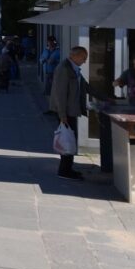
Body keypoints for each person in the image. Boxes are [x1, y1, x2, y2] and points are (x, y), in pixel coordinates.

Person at [50, 45, 89, 180]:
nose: (85, 61)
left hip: (70, 110)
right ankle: (64, 170)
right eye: (84, 58)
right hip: (65, 112)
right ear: (76, 56)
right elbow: (60, 94)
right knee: (67, 140)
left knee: (70, 139)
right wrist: (62, 115)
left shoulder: (74, 69)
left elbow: (86, 86)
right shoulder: (64, 69)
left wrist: (106, 97)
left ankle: (68, 168)